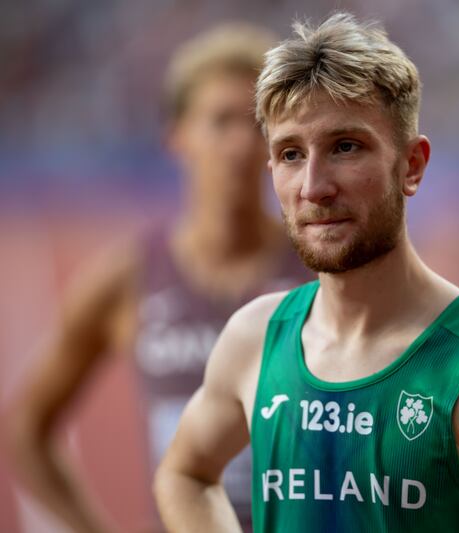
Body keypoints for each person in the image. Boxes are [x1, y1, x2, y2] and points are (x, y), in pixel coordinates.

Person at [154, 12, 459, 532]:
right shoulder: (254, 337)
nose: (313, 187)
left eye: (345, 147)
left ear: (412, 165)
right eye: (291, 154)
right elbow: (184, 474)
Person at [5, 24, 309, 532]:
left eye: (256, 124)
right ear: (178, 136)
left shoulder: (318, 269)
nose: (240, 144)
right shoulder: (128, 278)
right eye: (221, 121)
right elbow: (27, 428)